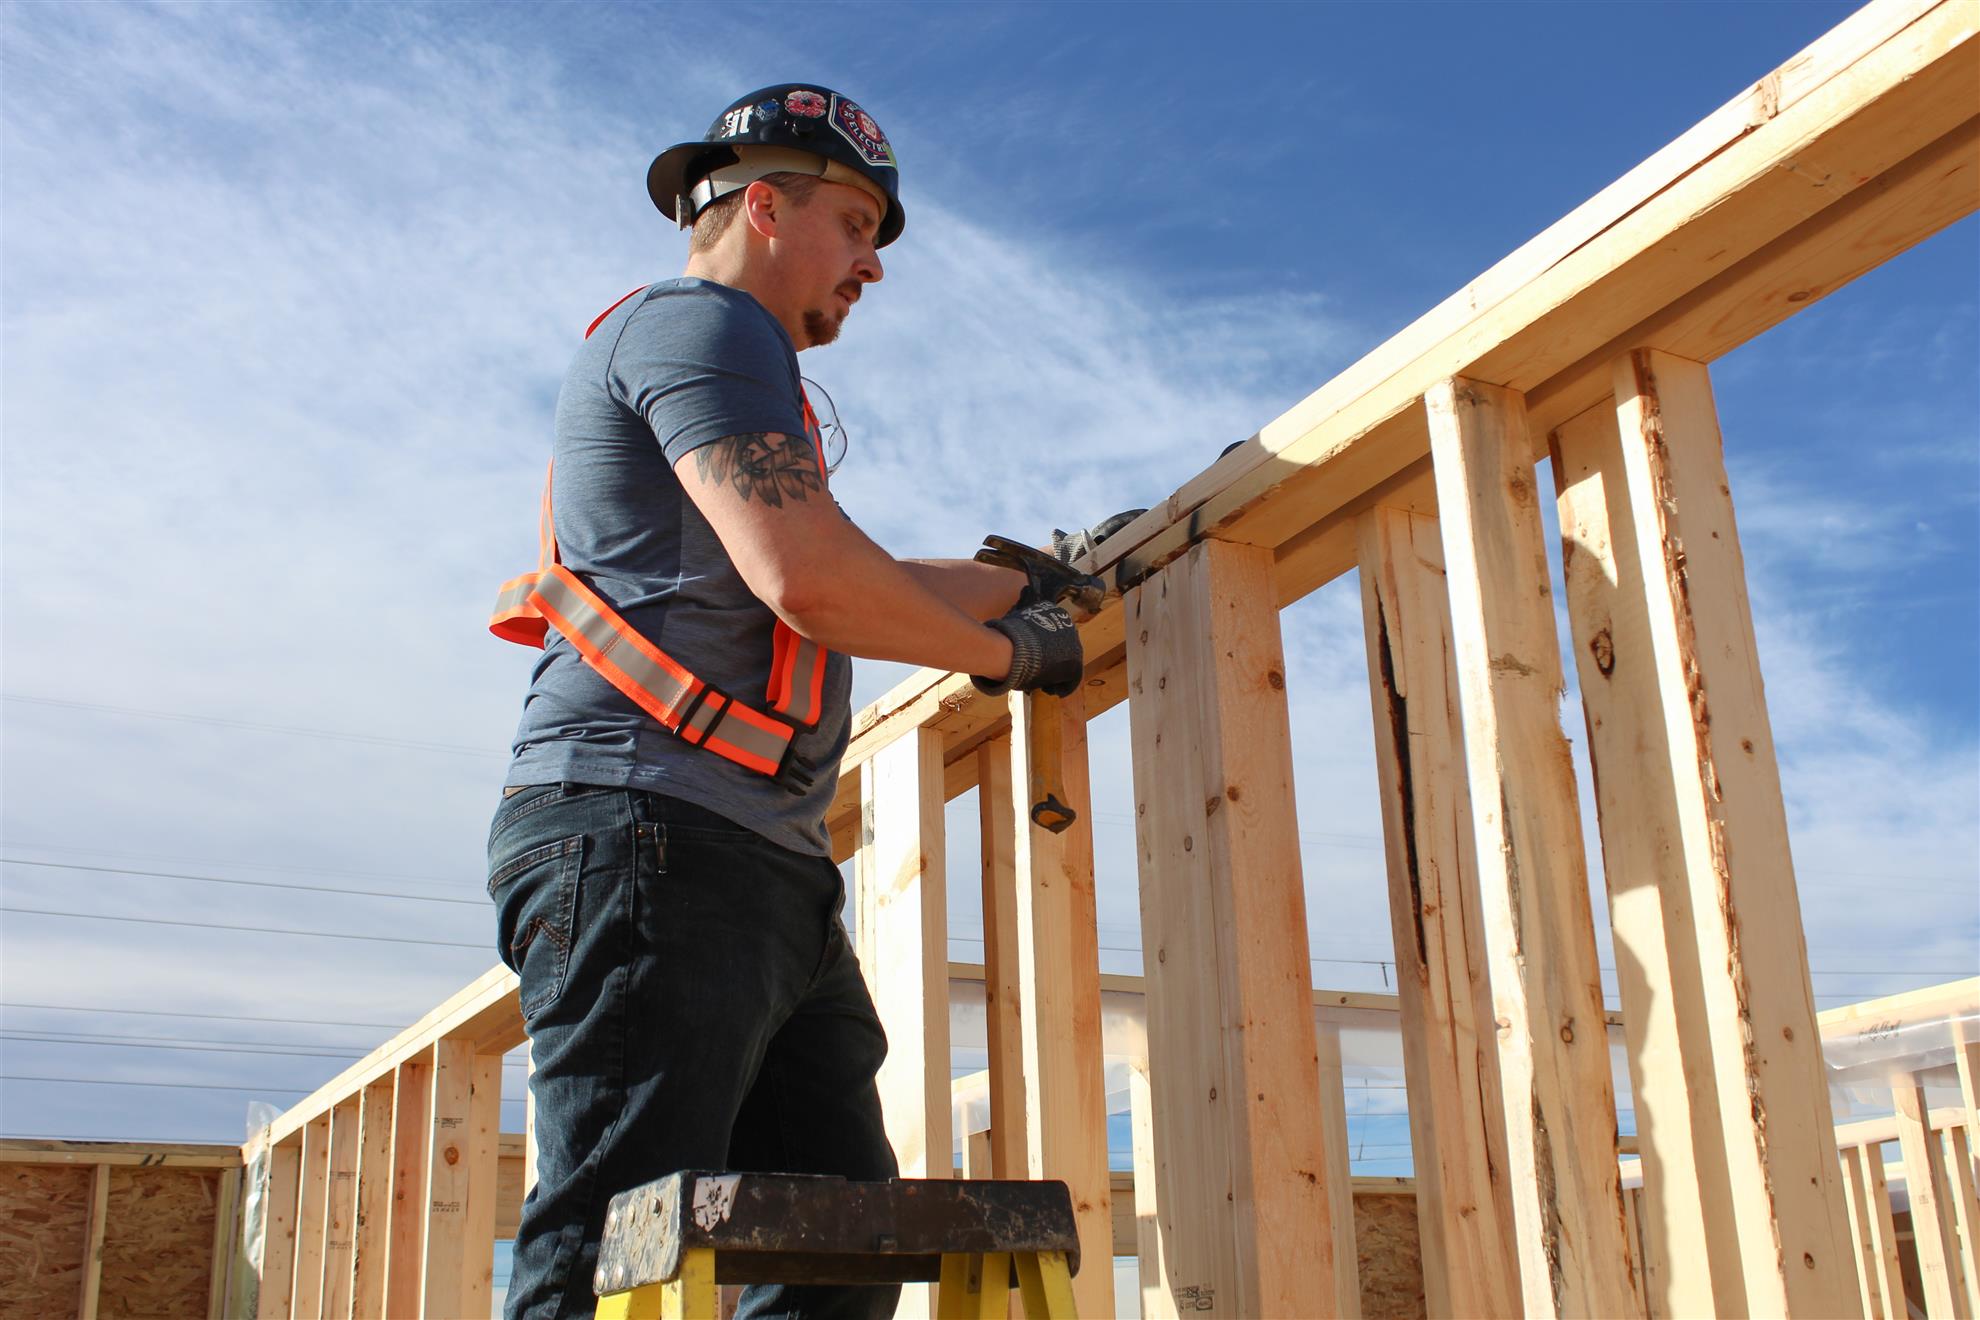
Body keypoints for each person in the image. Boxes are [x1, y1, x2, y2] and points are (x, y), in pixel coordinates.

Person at [484, 85, 1087, 1320]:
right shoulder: (700, 327)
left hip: (751, 860)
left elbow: (825, 568)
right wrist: (1012, 655)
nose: (872, 263)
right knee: (613, 1241)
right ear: (762, 204)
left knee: (834, 1253)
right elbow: (809, 581)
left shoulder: (726, 362)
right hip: (651, 834)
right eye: (856, 223)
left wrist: (1022, 580)